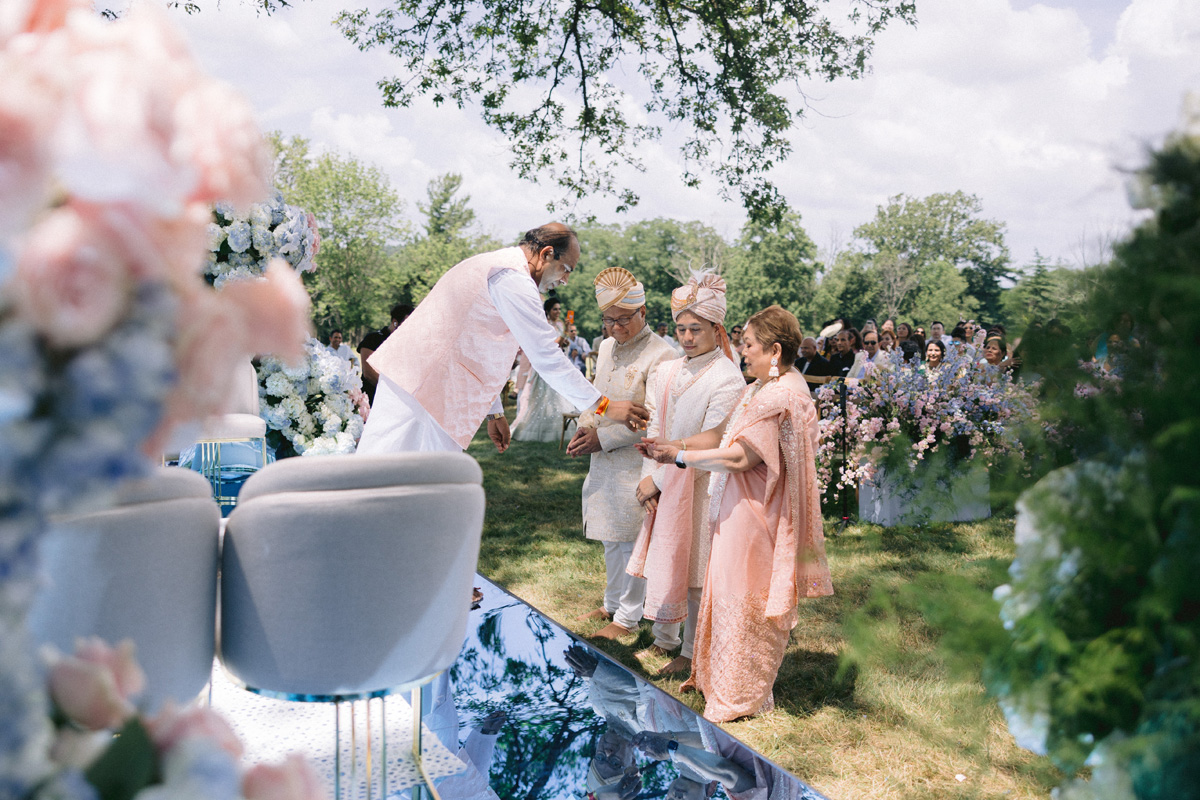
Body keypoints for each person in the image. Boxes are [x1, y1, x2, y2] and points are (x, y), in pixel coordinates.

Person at [642, 305, 833, 722]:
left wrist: (680, 457)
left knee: (742, 598)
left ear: (775, 350)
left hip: (751, 514)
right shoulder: (777, 387)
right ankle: (721, 678)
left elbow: (739, 457)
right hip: (750, 509)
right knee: (734, 595)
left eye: (748, 345)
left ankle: (737, 693)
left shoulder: (777, 396)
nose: (741, 352)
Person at [358, 223, 649, 454]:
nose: (565, 280)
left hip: (425, 386)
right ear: (547, 254)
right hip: (425, 388)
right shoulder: (513, 279)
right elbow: (546, 358)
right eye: (567, 269)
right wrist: (605, 406)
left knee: (409, 483)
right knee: (392, 478)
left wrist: (494, 411)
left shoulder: (501, 268)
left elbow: (479, 347)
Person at [625, 273, 745, 678]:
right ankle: (664, 638)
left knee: (696, 567)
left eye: (696, 329)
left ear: (717, 329)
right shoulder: (667, 371)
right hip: (662, 477)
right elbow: (654, 433)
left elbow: (712, 439)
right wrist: (650, 481)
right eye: (681, 329)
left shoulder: (728, 378)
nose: (688, 337)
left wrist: (657, 479)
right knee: (665, 556)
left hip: (703, 484)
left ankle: (693, 652)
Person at [568, 267, 677, 641]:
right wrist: (586, 425)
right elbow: (596, 396)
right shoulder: (607, 347)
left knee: (633, 537)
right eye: (609, 320)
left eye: (623, 319)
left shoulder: (662, 355)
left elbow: (657, 420)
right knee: (610, 535)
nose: (615, 327)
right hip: (603, 459)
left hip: (638, 460)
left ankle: (628, 617)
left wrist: (604, 439)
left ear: (643, 311)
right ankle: (612, 602)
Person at [511, 300, 579, 442]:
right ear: (547, 311)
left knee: (561, 396)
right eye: (555, 309)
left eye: (559, 309)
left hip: (558, 364)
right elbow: (550, 345)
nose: (558, 312)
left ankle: (561, 429)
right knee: (543, 398)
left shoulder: (560, 324)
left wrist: (565, 340)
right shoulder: (545, 325)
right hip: (546, 366)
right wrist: (565, 334)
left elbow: (561, 343)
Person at [358, 303, 412, 403]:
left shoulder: (406, 345)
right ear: (395, 322)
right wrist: (393, 392)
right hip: (371, 400)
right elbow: (368, 374)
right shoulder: (373, 339)